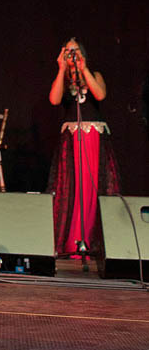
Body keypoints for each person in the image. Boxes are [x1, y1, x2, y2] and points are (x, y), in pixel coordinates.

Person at [47, 38, 120, 257]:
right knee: (73, 187)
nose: (72, 55)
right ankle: (72, 242)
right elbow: (54, 99)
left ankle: (91, 241)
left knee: (92, 187)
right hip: (72, 140)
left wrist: (83, 68)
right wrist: (61, 69)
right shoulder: (63, 79)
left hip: (94, 139)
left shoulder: (94, 75)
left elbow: (100, 94)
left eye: (75, 51)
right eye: (68, 52)